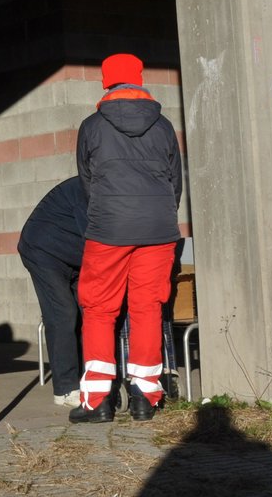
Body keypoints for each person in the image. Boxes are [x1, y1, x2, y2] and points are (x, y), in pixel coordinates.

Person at [73, 53, 184, 423]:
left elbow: (87, 182)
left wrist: (109, 213)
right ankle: (145, 396)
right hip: (158, 229)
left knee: (99, 308)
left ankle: (98, 400)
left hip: (109, 229)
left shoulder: (91, 126)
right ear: (139, 79)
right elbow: (175, 182)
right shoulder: (164, 126)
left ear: (107, 82)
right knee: (147, 307)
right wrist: (159, 216)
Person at [18, 176, 89, 408]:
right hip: (42, 250)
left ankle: (88, 377)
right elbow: (95, 239)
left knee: (88, 311)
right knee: (63, 313)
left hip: (72, 252)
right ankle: (66, 389)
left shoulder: (106, 190)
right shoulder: (88, 192)